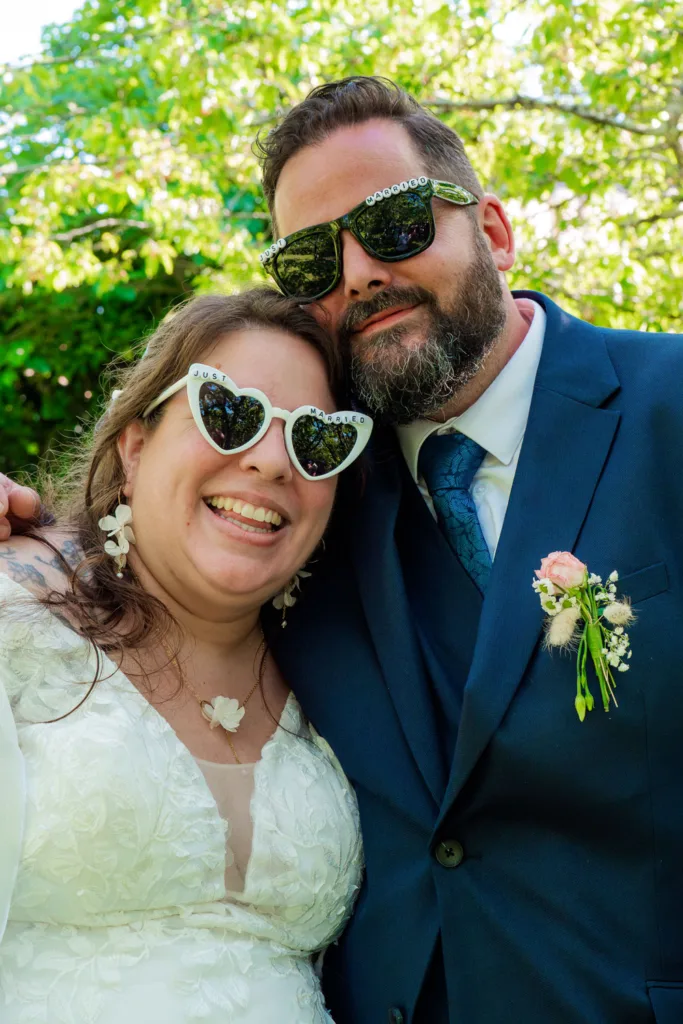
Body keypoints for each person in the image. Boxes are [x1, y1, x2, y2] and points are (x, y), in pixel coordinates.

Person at [5, 75, 683, 1024]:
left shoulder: (668, 408)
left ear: (490, 230)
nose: (357, 272)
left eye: (397, 224)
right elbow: (167, 530)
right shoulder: (316, 491)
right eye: (312, 260)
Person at [0, 289, 370, 1023]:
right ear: (135, 448)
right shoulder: (15, 621)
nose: (269, 462)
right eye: (228, 413)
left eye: (314, 440)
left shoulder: (346, 673)